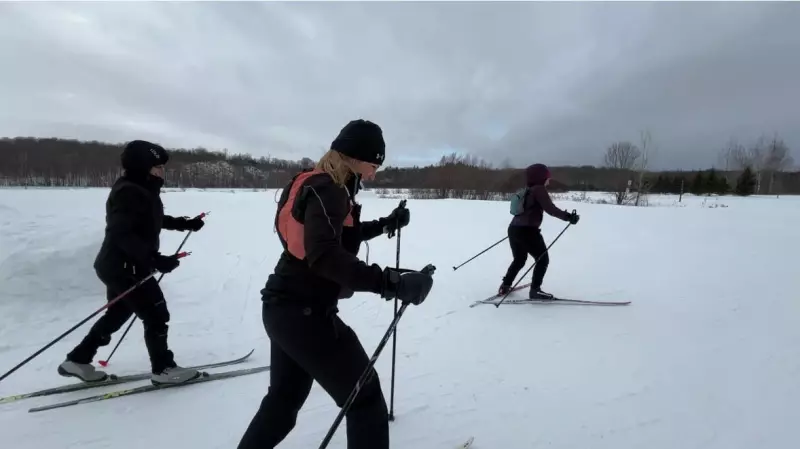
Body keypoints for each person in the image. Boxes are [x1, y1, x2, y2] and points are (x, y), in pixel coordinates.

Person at [237, 119, 434, 449]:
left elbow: (333, 235)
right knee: (364, 399)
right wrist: (391, 283)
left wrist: (385, 224)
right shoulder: (329, 189)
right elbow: (325, 255)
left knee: (283, 403)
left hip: (283, 308)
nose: (373, 175)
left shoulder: (317, 183)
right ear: (355, 158)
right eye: (373, 166)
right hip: (305, 315)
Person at [57, 140, 206, 385]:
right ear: (142, 166)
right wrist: (154, 259)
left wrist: (184, 223)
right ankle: (163, 369)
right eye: (157, 167)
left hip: (117, 265)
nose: (162, 171)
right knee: (156, 313)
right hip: (126, 267)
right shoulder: (130, 191)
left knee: (118, 313)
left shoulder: (140, 188)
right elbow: (121, 233)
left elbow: (150, 219)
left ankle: (78, 360)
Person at [498, 163, 579, 300]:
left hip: (514, 229)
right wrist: (568, 217)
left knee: (519, 259)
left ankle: (505, 286)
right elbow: (550, 209)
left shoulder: (528, 190)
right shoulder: (539, 189)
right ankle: (535, 291)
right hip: (528, 231)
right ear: (541, 177)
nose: (549, 180)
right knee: (542, 259)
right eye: (547, 177)